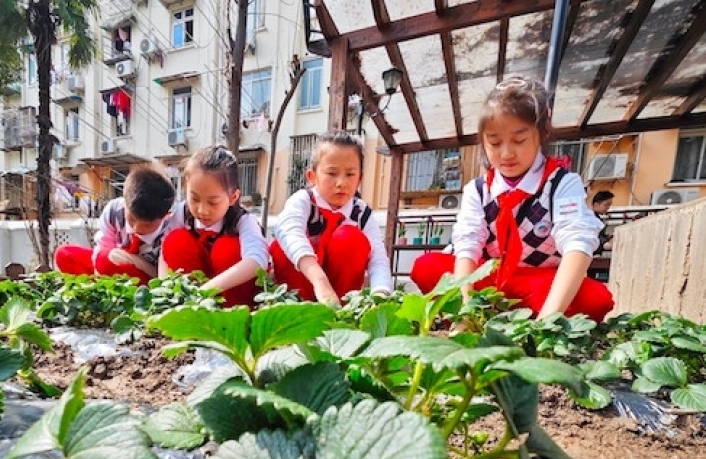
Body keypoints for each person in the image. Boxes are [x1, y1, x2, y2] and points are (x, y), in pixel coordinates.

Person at [409, 75, 614, 322]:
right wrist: (465, 315)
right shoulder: (478, 189)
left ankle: (528, 314)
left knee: (595, 299)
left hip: (538, 279)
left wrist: (547, 321)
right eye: (494, 143)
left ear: (542, 133)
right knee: (427, 266)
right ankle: (489, 312)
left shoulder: (562, 183)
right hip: (488, 277)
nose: (506, 153)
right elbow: (468, 246)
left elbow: (577, 245)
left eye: (519, 140)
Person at [271, 132, 392, 304]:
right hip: (300, 289)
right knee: (282, 245)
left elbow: (378, 257)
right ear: (312, 177)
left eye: (350, 174)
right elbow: (288, 230)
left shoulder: (361, 213)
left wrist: (380, 294)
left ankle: (342, 314)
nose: (341, 183)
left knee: (350, 238)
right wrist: (320, 281)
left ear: (360, 178)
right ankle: (297, 309)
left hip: (341, 296)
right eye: (332, 173)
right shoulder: (303, 201)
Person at [159, 145, 268, 308]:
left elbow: (257, 260)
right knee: (175, 241)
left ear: (233, 197)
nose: (202, 210)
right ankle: (190, 313)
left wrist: (206, 290)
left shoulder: (243, 220)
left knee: (227, 248)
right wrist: (164, 290)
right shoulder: (182, 213)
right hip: (195, 297)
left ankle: (231, 316)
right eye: (194, 199)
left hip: (232, 295)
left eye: (213, 202)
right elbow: (165, 252)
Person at [54, 166, 176, 284]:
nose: (136, 229)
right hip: (111, 265)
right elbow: (103, 247)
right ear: (125, 202)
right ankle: (94, 291)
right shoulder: (114, 211)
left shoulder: (170, 227)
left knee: (109, 259)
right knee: (65, 254)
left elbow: (163, 275)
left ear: (166, 215)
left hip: (147, 276)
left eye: (148, 226)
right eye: (132, 219)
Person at [591, 190, 614, 255]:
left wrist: (608, 237)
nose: (608, 207)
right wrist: (604, 242)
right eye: (606, 204)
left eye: (609, 205)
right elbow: (594, 234)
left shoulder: (598, 218)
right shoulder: (590, 219)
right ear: (596, 205)